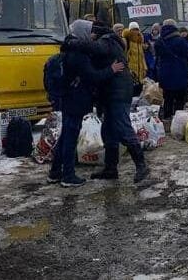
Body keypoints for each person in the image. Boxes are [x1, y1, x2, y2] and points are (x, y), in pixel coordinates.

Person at [50, 20, 123, 187]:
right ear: (82, 32)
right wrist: (111, 70)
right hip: (76, 99)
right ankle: (68, 175)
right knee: (70, 137)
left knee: (65, 136)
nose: (92, 35)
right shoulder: (78, 53)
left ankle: (55, 172)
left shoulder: (70, 48)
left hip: (70, 97)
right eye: (89, 31)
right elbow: (92, 75)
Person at [90, 25, 151, 184]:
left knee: (123, 128)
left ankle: (141, 166)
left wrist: (74, 43)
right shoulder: (111, 43)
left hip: (117, 94)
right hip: (112, 94)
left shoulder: (106, 42)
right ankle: (110, 168)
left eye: (91, 34)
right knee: (108, 130)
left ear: (96, 34)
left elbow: (95, 52)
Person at [155, 19, 188, 119]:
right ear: (174, 27)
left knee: (168, 99)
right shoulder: (180, 41)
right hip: (179, 74)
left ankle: (167, 120)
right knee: (179, 101)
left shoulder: (159, 41)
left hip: (165, 74)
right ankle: (178, 121)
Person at [123, 21, 148, 93]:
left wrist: (145, 68)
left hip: (140, 71)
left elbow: (142, 56)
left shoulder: (139, 41)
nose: (136, 31)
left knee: (138, 91)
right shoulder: (126, 41)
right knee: (131, 91)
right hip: (131, 71)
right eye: (133, 29)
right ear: (130, 30)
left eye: (137, 29)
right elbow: (124, 56)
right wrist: (128, 69)